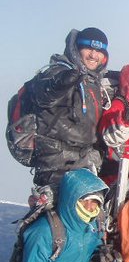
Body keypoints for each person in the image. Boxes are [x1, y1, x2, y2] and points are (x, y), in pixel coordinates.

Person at [20, 27, 110, 195]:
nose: (93, 55)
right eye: (88, 48)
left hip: (83, 160)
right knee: (57, 213)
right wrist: (60, 83)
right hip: (56, 161)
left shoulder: (95, 81)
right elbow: (43, 96)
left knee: (87, 212)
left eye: (99, 51)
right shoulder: (58, 71)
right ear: (76, 48)